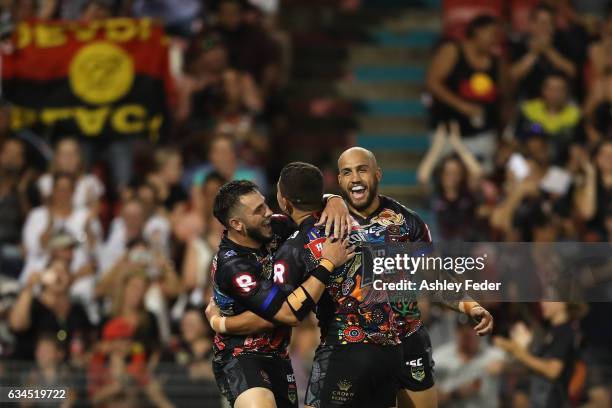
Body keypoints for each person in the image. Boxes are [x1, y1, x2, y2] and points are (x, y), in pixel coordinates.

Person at [208, 179, 353, 408]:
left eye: (265, 204)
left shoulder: (273, 227)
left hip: (279, 355)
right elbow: (287, 314)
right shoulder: (233, 267)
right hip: (240, 355)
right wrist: (327, 263)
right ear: (237, 224)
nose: (268, 213)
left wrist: (334, 201)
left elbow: (306, 209)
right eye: (258, 211)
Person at [426, 14, 501, 168]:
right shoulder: (453, 50)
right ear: (477, 31)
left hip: (482, 134)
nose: (495, 40)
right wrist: (462, 106)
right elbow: (432, 83)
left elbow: (506, 93)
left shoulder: (495, 60)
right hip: (449, 131)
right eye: (492, 34)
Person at [494, 302, 582, 408]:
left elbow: (552, 370)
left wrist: (518, 351)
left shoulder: (565, 332)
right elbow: (535, 367)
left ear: (562, 303)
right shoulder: (550, 332)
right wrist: (506, 366)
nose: (543, 303)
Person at [9, 257, 94, 361]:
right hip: (29, 368)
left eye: (64, 271)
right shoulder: (34, 304)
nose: (59, 276)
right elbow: (17, 326)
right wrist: (29, 287)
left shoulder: (77, 309)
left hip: (68, 373)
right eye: (55, 271)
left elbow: (89, 340)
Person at [434, 315, 504, 408]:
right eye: (464, 332)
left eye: (473, 330)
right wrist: (456, 394)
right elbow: (427, 398)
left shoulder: (492, 356)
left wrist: (505, 365)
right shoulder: (439, 358)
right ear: (456, 332)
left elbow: (520, 367)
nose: (470, 334)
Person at [510, 4, 577, 100]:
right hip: (530, 99)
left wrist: (548, 50)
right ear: (532, 24)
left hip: (560, 98)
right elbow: (513, 75)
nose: (545, 27)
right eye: (541, 22)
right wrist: (534, 53)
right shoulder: (521, 44)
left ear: (554, 26)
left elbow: (572, 71)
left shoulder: (563, 41)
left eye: (549, 23)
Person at [36, 137, 104, 210]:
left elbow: (94, 213)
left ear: (80, 158)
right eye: (64, 154)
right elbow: (48, 211)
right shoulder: (46, 181)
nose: (69, 158)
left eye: (73, 154)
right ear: (56, 158)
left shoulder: (91, 182)